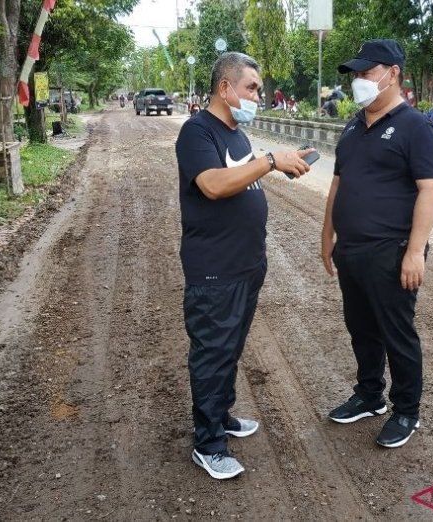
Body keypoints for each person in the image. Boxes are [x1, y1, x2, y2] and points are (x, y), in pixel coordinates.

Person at [175, 51, 315, 480]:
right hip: (214, 268)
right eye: (251, 87)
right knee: (212, 353)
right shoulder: (197, 132)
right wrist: (271, 160)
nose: (258, 95)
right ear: (224, 88)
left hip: (247, 265)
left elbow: (244, 179)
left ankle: (222, 415)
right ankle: (209, 443)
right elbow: (214, 185)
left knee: (230, 348)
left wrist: (279, 166)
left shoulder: (237, 134)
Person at [321, 39, 433, 448]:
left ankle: (406, 410)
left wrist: (414, 252)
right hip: (352, 250)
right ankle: (369, 395)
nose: (359, 80)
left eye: (367, 72)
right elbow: (338, 183)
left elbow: (430, 190)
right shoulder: (354, 126)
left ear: (393, 74)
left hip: (391, 252)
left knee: (397, 333)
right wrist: (327, 235)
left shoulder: (417, 127)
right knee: (361, 329)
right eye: (356, 74)